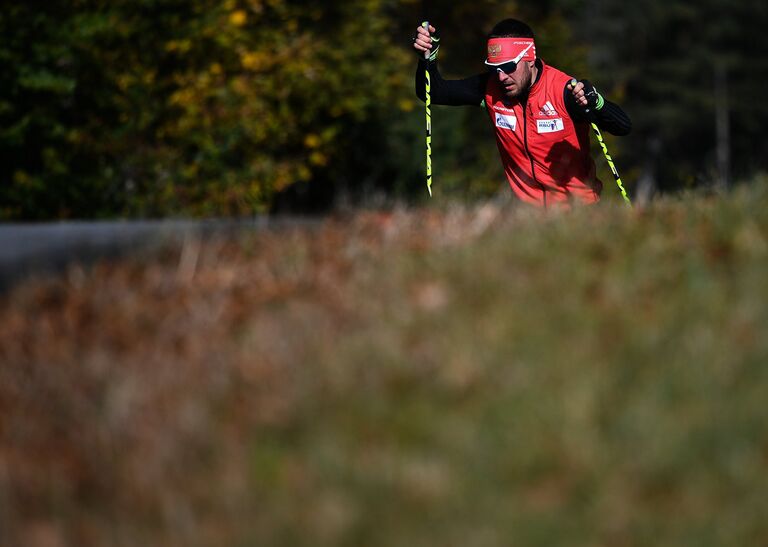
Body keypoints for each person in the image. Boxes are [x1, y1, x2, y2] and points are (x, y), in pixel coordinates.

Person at [413, 19, 632, 208]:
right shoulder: (491, 89)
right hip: (528, 219)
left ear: (529, 57)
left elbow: (623, 127)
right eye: (494, 68)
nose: (501, 77)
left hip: (579, 213)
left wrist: (598, 103)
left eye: (509, 67)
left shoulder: (563, 91)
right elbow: (432, 92)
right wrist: (428, 57)